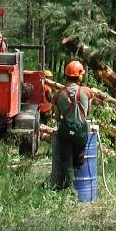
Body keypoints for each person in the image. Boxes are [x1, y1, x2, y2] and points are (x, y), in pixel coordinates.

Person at [48, 60, 92, 191]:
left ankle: (68, 187)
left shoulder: (57, 95)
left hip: (66, 131)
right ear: (78, 76)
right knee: (78, 159)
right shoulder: (87, 92)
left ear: (66, 76)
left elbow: (57, 117)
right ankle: (77, 168)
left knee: (66, 160)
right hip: (82, 132)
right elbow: (88, 113)